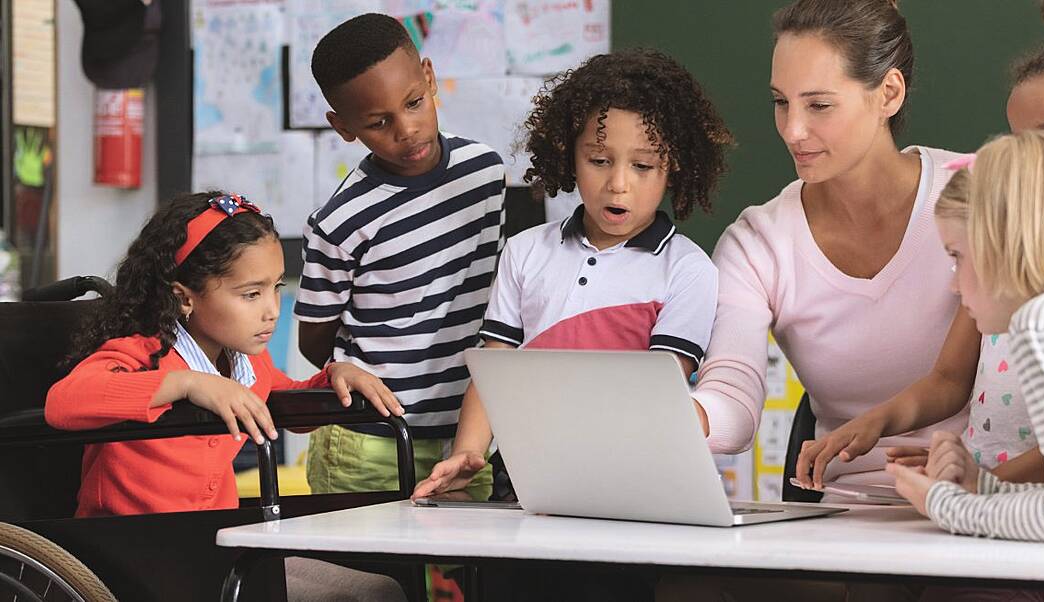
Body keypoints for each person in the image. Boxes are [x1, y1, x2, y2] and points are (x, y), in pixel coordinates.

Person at [46, 192, 407, 601]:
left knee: (379, 590)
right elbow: (65, 402)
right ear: (185, 298)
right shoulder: (143, 351)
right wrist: (187, 383)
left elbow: (283, 404)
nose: (272, 310)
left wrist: (333, 379)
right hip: (130, 549)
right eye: (251, 295)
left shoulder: (245, 361)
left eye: (274, 288)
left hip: (214, 542)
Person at [410, 49, 731, 500]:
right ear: (569, 156)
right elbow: (493, 370)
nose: (618, 183)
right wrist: (467, 452)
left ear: (673, 168)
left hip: (632, 484)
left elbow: (657, 394)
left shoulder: (687, 269)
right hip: (523, 478)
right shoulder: (524, 253)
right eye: (599, 160)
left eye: (642, 166)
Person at [692, 0, 968, 494]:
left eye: (819, 105)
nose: (793, 130)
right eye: (781, 102)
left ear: (888, 93)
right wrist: (682, 418)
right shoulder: (758, 242)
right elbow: (732, 394)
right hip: (841, 515)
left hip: (988, 500)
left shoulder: (982, 191)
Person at [295, 13, 506, 497]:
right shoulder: (341, 220)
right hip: (367, 443)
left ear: (429, 79)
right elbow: (315, 343)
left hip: (466, 436)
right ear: (343, 127)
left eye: (414, 103)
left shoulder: (485, 174)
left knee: (468, 572)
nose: (406, 129)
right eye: (378, 122)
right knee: (368, 575)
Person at [889, 131, 1044, 547]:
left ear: (1001, 244)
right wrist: (984, 488)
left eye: (956, 256)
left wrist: (947, 505)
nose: (953, 285)